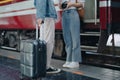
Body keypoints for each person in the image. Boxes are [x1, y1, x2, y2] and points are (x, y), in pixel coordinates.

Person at [34, 0, 61, 73]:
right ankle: (45, 66)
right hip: (47, 17)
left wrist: (40, 16)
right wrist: (40, 16)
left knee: (44, 41)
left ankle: (42, 65)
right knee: (48, 41)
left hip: (46, 16)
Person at [59, 0, 85, 68]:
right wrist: (61, 4)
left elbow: (81, 4)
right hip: (64, 13)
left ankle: (75, 61)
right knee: (67, 39)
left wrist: (72, 4)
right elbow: (60, 7)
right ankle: (69, 60)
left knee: (75, 38)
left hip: (73, 13)